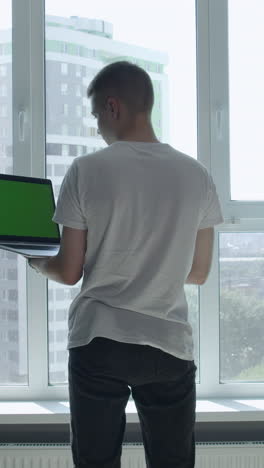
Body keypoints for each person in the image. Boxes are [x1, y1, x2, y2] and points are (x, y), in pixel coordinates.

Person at [28, 61, 224, 468]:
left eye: (97, 115)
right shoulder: (197, 175)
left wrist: (36, 262)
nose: (98, 126)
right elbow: (199, 272)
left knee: (96, 461)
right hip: (168, 346)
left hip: (100, 341)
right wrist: (158, 264)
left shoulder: (87, 169)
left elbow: (68, 271)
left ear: (113, 107)